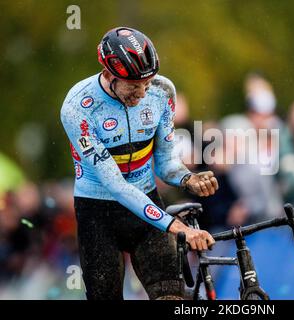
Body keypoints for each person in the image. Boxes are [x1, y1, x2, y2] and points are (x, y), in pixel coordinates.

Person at [60, 27, 219, 300]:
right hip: (97, 214)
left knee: (173, 298)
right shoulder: (78, 108)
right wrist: (176, 226)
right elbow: (116, 186)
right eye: (134, 86)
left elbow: (166, 162)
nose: (143, 93)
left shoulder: (163, 91)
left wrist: (187, 178)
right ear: (109, 74)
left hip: (146, 204)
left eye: (147, 83)